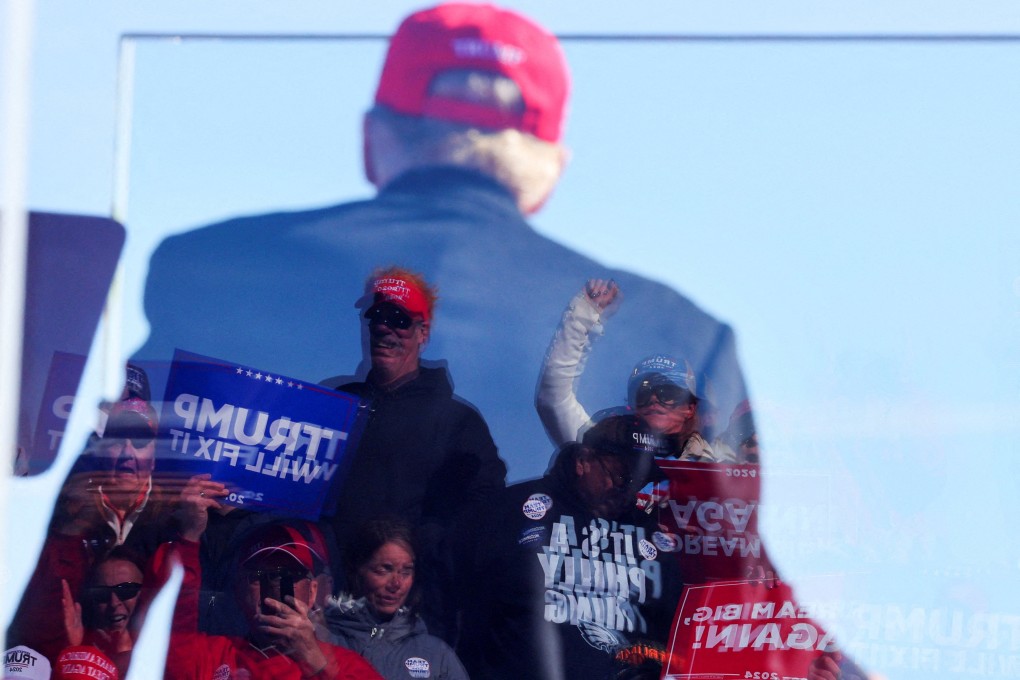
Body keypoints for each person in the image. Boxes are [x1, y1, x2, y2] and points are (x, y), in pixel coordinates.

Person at [134, 1, 753, 483]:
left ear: (373, 140)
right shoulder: (681, 333)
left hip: (262, 644)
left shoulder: (207, 268)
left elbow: (112, 514)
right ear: (548, 170)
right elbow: (735, 579)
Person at [329, 266, 505, 639]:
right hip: (328, 608)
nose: (384, 328)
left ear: (423, 334)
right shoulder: (334, 404)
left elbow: (483, 513)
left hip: (411, 620)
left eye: (400, 320)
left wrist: (418, 550)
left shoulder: (460, 423)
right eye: (377, 316)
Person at [456, 414, 683, 680]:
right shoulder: (508, 514)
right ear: (583, 462)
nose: (628, 489)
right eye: (621, 475)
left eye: (639, 480)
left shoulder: (652, 538)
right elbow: (451, 600)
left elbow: (673, 632)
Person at [151, 481, 383, 680]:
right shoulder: (214, 655)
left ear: (313, 592)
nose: (273, 585)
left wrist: (316, 664)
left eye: (288, 575)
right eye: (259, 575)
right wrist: (189, 535)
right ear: (240, 590)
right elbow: (163, 636)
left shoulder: (347, 666)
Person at [323, 518, 468, 680]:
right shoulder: (321, 640)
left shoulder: (436, 655)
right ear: (356, 569)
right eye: (384, 570)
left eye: (406, 572)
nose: (397, 584)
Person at [59, 548, 145, 678]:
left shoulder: (169, 652)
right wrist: (74, 655)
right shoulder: (72, 650)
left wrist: (123, 658)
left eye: (127, 590)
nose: (114, 602)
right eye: (102, 594)